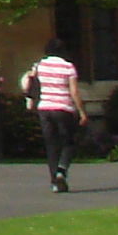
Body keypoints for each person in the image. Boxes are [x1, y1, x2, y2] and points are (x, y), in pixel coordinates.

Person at [24, 43, 85, 193]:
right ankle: (61, 171)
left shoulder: (39, 66)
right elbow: (74, 91)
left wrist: (30, 101)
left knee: (51, 145)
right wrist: (82, 111)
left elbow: (30, 84)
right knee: (69, 142)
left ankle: (54, 182)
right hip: (63, 108)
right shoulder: (68, 67)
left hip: (45, 108)